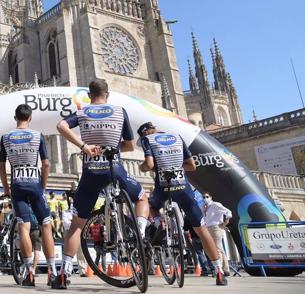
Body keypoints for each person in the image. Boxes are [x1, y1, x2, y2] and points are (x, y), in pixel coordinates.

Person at [55, 79, 149, 289]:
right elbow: (129, 145)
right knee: (142, 197)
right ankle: (140, 233)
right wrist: (113, 146)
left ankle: (63, 273)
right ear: (107, 94)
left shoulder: (83, 111)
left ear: (90, 95)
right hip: (115, 169)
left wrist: (85, 146)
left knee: (77, 224)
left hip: (91, 172)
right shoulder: (119, 110)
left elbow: (60, 125)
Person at [137, 121, 228, 285]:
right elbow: (192, 166)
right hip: (184, 189)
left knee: (151, 206)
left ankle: (160, 225)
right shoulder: (177, 138)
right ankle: (219, 271)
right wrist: (176, 167)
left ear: (144, 133)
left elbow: (149, 164)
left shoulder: (147, 140)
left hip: (163, 189)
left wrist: (143, 168)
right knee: (202, 231)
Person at [0, 104, 61, 288]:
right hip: (34, 183)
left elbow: (1, 167)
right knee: (46, 226)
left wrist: (6, 189)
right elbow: (47, 164)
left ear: (15, 117)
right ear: (30, 118)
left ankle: (29, 272)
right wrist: (42, 186)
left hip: (17, 184)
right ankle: (53, 272)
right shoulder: (37, 136)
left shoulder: (6, 137)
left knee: (23, 227)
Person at [201, 191, 233, 277]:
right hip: (208, 228)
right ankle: (225, 269)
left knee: (217, 248)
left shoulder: (215, 204)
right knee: (219, 248)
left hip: (216, 227)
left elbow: (228, 212)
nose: (205, 198)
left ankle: (220, 270)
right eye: (203, 197)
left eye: (206, 197)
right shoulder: (204, 207)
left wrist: (226, 221)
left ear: (210, 197)